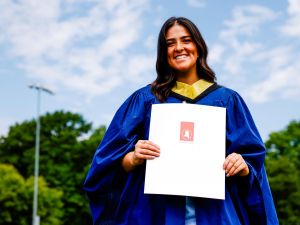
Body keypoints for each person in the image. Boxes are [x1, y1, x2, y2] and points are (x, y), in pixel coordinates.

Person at [83, 16, 278, 225]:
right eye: (170, 43)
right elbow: (105, 166)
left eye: (186, 40)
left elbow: (252, 162)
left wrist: (242, 165)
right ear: (163, 52)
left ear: (198, 46)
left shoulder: (228, 101)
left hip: (216, 216)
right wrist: (133, 157)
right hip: (154, 214)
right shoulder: (145, 100)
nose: (179, 48)